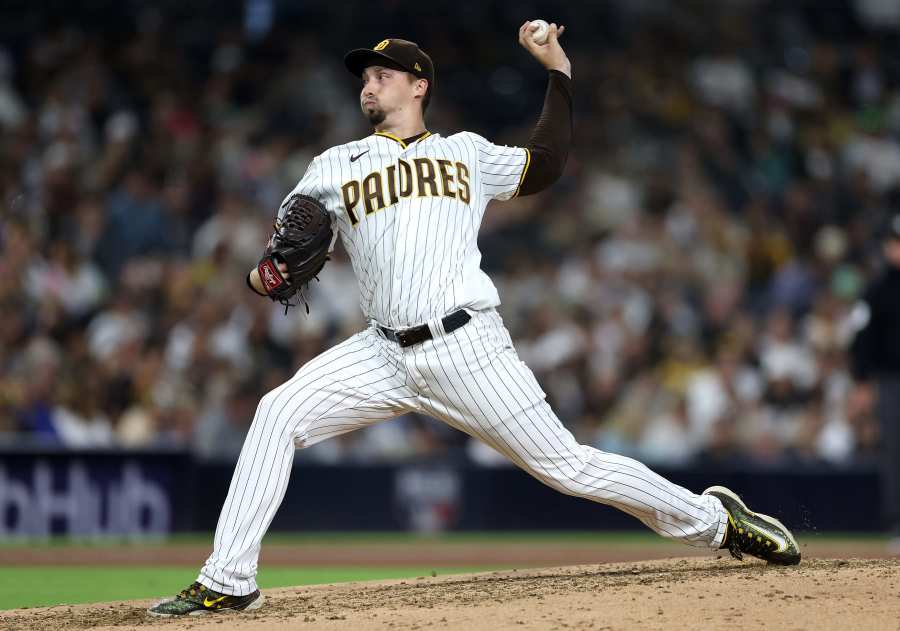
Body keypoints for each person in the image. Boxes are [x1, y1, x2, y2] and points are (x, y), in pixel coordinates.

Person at [149, 22, 800, 617]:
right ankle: (229, 577)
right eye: (365, 78)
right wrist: (267, 275)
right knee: (277, 412)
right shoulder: (333, 167)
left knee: (570, 467)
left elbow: (545, 165)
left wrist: (560, 71)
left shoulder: (464, 152)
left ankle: (715, 520)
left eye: (381, 75)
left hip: (468, 348)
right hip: (380, 353)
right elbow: (275, 264)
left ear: (418, 85)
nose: (368, 85)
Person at [849, 214, 900, 554]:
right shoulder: (877, 290)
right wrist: (863, 382)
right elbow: (862, 339)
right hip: (891, 381)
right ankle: (898, 523)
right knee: (895, 452)